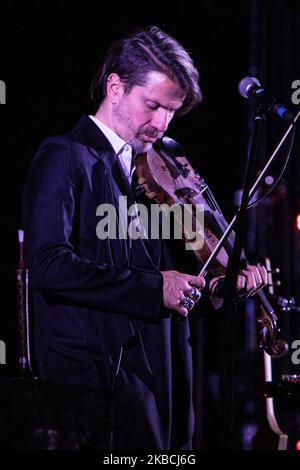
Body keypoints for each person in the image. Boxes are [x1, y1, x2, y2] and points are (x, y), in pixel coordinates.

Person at [22, 25, 267, 450]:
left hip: (160, 372)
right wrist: (157, 287)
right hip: (97, 386)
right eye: (152, 105)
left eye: (171, 111)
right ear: (115, 87)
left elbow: (158, 280)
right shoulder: (65, 155)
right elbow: (48, 264)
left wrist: (210, 290)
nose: (161, 123)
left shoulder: (150, 174)